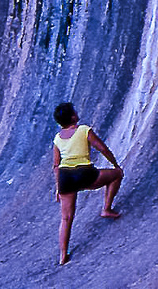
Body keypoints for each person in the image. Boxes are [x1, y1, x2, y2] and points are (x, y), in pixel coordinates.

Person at [51, 101, 124, 264]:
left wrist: (58, 188)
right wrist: (115, 163)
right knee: (117, 174)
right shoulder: (84, 130)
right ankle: (106, 209)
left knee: (66, 218)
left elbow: (56, 165)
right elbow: (102, 148)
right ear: (72, 116)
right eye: (74, 111)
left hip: (65, 177)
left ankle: (63, 255)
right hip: (85, 174)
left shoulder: (57, 139)